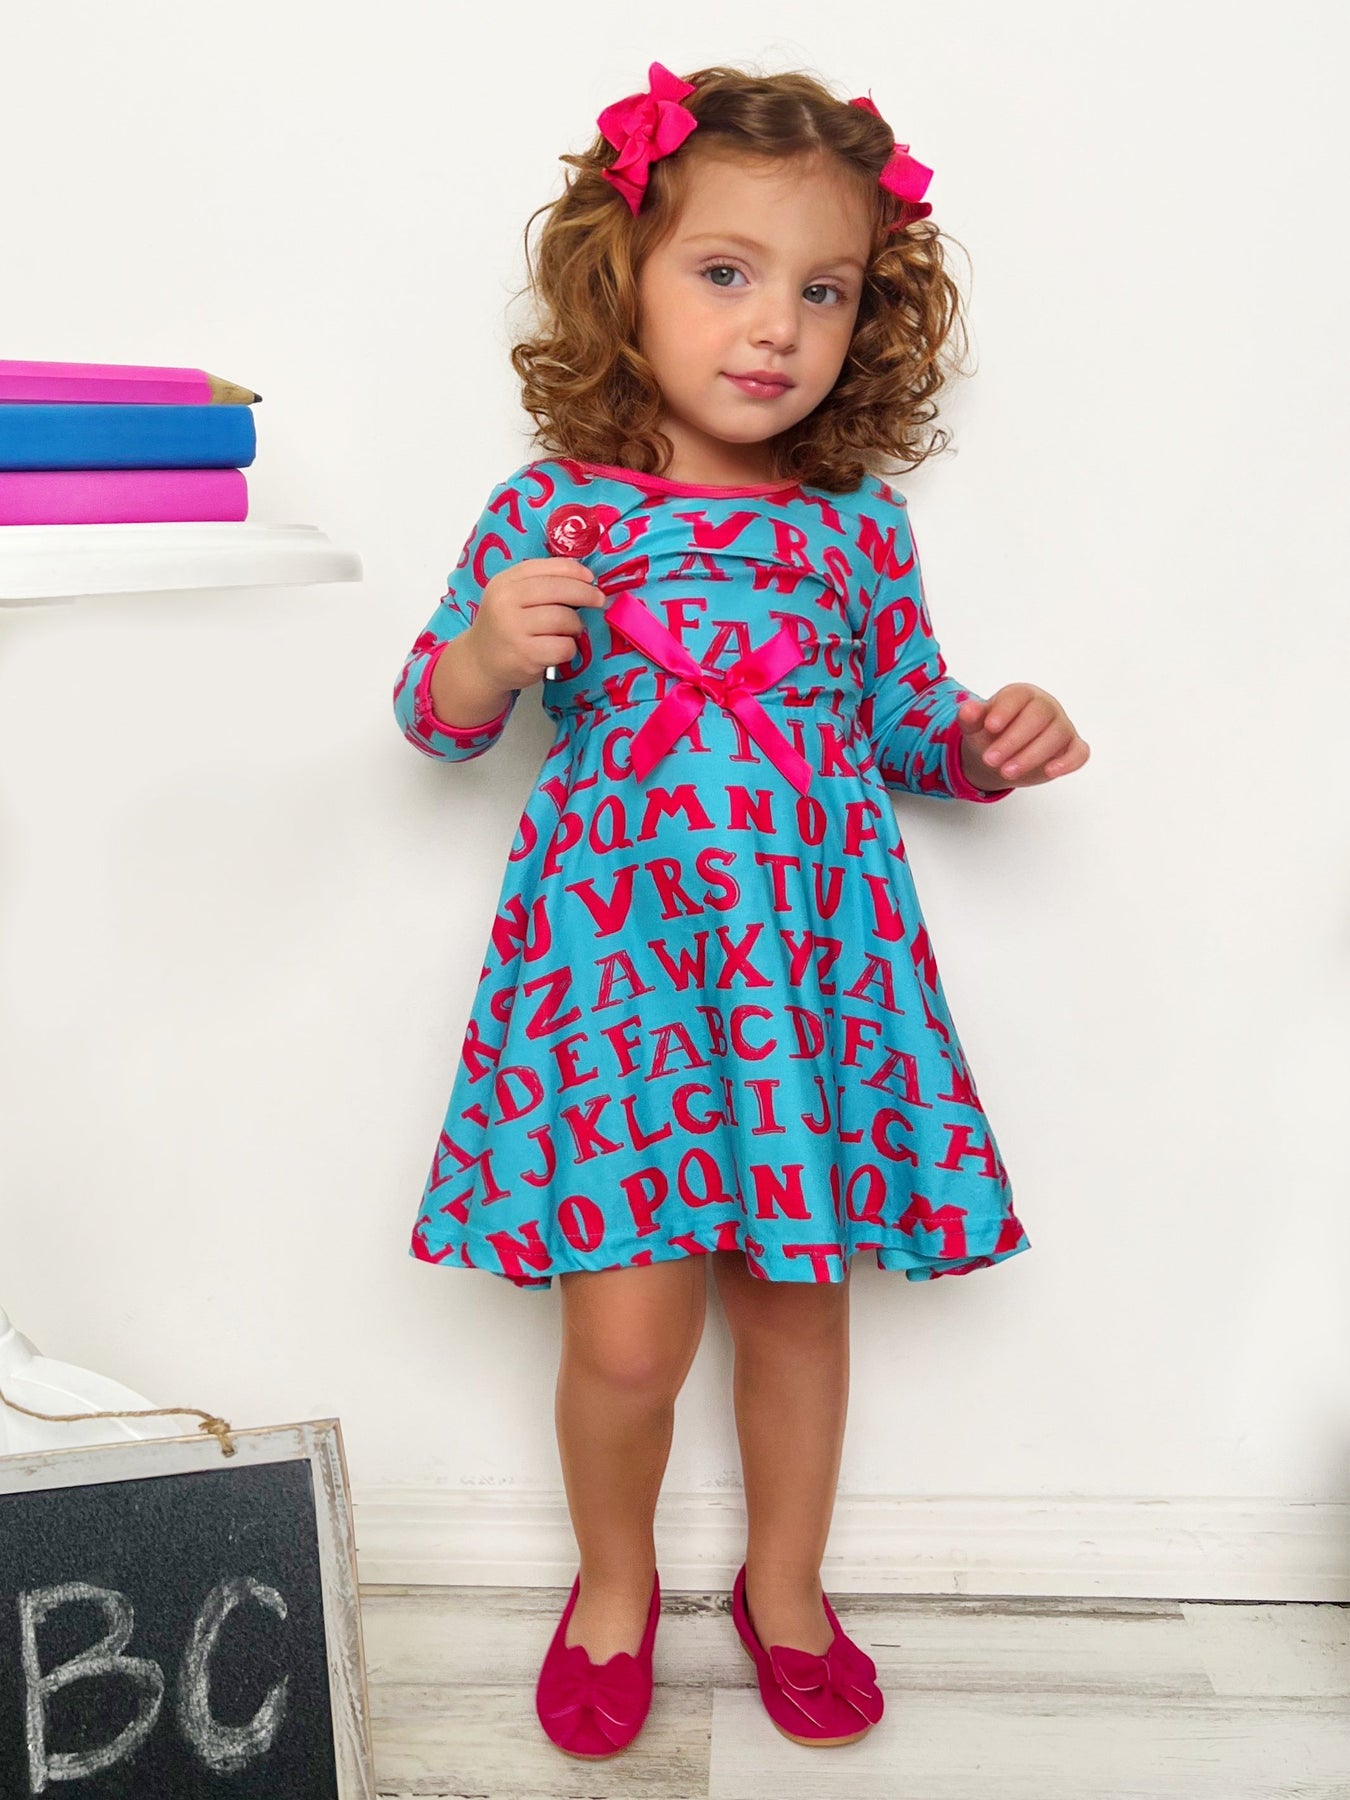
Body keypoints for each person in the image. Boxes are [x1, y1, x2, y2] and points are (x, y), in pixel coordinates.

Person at [392, 60, 1089, 1761]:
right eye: (725, 271)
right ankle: (611, 1583)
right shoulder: (554, 507)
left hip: (810, 981)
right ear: (621, 276)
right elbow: (435, 717)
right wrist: (484, 651)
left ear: (869, 318)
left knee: (796, 1310)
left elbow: (901, 721)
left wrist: (986, 740)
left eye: (823, 289)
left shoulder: (855, 533)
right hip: (615, 989)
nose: (775, 324)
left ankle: (785, 1586)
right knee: (628, 1342)